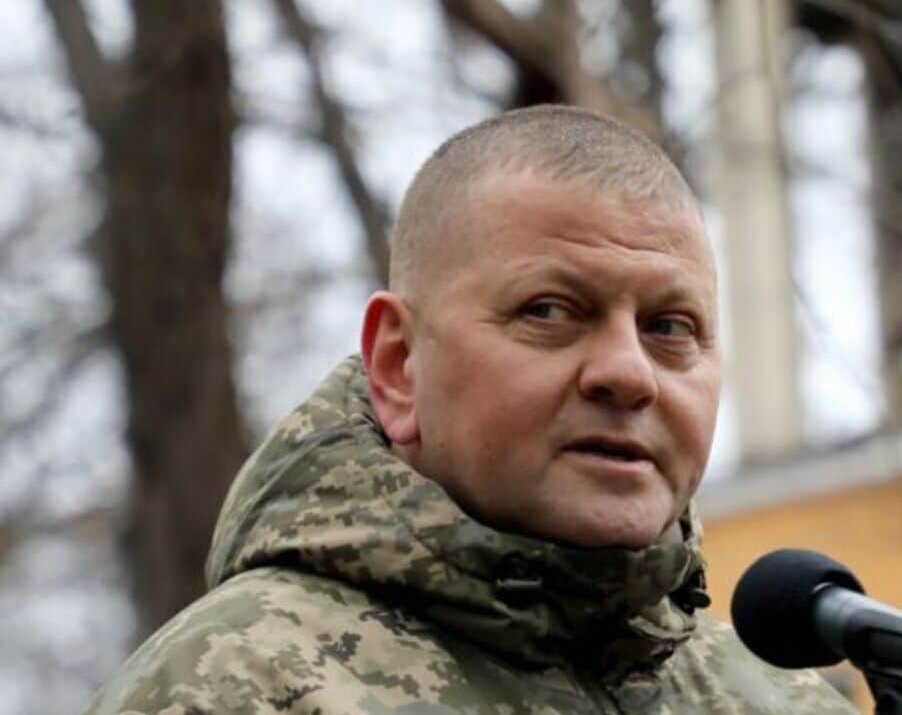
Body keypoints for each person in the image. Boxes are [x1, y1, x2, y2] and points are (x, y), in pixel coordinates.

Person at [86, 105, 859, 714]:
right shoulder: (233, 686)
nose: (629, 374)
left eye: (669, 328)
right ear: (399, 365)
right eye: (550, 311)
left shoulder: (783, 701)